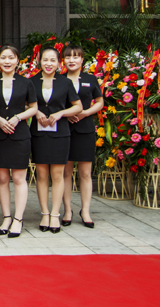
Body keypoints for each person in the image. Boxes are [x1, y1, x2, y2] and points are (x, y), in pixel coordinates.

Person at [30, 47, 82, 234]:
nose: (48, 64)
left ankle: (55, 214)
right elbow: (25, 105)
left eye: (53, 60)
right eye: (45, 60)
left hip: (60, 133)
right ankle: (45, 213)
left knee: (58, 175)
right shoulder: (32, 82)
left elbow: (78, 106)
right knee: (42, 175)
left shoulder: (65, 82)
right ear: (39, 61)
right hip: (39, 133)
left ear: (59, 63)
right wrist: (36, 112)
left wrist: (61, 113)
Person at [0, 45, 38, 239]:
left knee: (19, 178)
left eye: (11, 58)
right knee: (2, 179)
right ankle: (6, 217)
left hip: (19, 135)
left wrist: (18, 117)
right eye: (3, 57)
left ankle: (18, 219)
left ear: (18, 60)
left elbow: (33, 108)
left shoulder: (26, 83)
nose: (7, 61)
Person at [61, 45, 103, 228]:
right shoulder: (59, 79)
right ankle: (67, 210)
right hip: (64, 129)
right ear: (63, 60)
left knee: (85, 173)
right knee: (66, 172)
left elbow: (100, 102)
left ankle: (85, 210)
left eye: (76, 57)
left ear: (82, 60)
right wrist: (66, 114)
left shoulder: (90, 79)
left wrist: (85, 113)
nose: (72, 60)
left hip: (85, 129)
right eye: (68, 57)